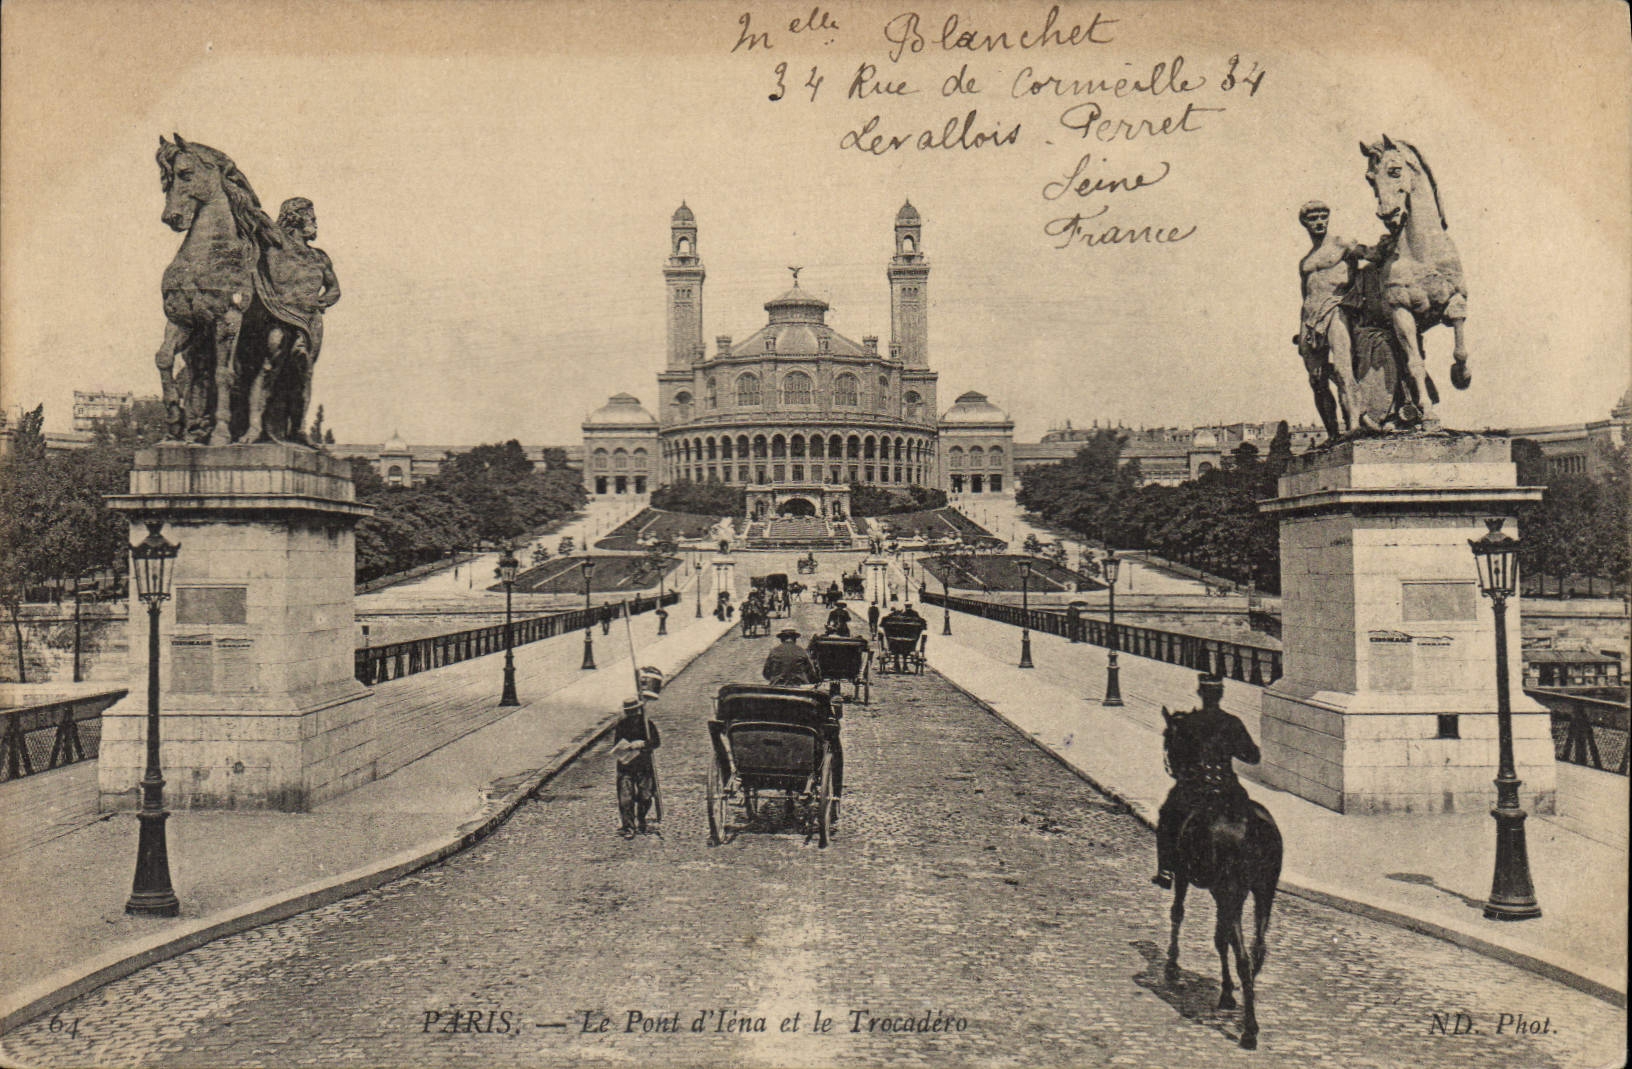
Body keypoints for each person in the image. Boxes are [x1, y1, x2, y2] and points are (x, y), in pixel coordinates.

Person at [1153, 674, 1261, 889]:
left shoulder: (1189, 723)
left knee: (1167, 816)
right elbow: (1253, 757)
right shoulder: (1232, 722)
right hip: (1228, 789)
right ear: (1221, 695)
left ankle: (1165, 870)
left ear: (1201, 694)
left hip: (1196, 789)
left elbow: (1178, 761)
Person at [1295, 200, 1373, 440]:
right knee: (1316, 379)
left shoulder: (1341, 244)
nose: (1318, 222)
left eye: (1322, 216)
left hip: (1336, 309)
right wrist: (1301, 329)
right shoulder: (1305, 261)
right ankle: (1332, 435)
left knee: (1342, 368)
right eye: (1313, 218)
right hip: (1310, 318)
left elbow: (1368, 254)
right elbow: (1306, 295)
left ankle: (1353, 424)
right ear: (1305, 223)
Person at [612, 697, 662, 838]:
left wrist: (643, 744)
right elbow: (616, 744)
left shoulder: (647, 724)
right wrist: (624, 747)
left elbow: (656, 742)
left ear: (638, 710)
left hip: (644, 766)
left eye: (634, 711)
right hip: (626, 766)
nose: (632, 715)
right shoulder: (621, 725)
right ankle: (628, 827)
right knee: (625, 799)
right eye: (629, 712)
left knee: (645, 797)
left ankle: (641, 819)